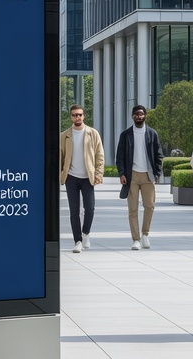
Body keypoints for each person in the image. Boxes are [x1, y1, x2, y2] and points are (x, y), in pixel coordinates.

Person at [115, 105, 163, 250]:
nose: (139, 116)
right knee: (133, 209)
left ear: (145, 116)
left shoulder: (152, 134)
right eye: (136, 114)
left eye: (141, 114)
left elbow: (159, 154)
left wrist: (157, 172)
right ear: (132, 116)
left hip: (148, 175)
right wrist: (122, 173)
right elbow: (120, 156)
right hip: (132, 176)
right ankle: (135, 239)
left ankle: (145, 234)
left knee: (150, 206)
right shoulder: (126, 134)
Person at [58, 104, 104, 254]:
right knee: (74, 211)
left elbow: (99, 155)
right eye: (74, 115)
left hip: (87, 177)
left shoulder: (93, 133)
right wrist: (60, 175)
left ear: (84, 116)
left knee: (90, 209)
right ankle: (77, 241)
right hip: (71, 177)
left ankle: (86, 234)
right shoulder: (64, 135)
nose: (77, 117)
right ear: (71, 117)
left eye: (79, 115)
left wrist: (99, 174)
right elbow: (60, 157)